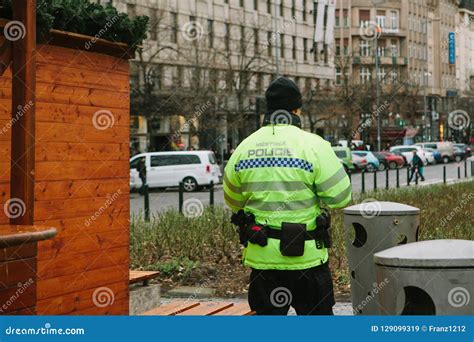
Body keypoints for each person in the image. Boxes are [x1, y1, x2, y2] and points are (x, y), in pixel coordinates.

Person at [223, 77, 352, 315]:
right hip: (308, 262)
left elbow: (232, 201)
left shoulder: (244, 148)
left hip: (264, 262)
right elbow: (341, 197)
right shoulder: (314, 145)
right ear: (297, 109)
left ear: (268, 108)